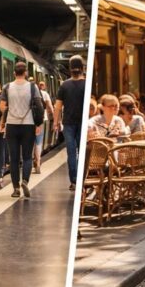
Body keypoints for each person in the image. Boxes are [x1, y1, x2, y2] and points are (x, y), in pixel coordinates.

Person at [0, 61, 41, 199]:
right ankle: (25, 181)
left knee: (14, 159)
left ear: (14, 73)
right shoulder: (32, 87)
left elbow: (2, 106)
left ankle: (16, 189)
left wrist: (9, 112)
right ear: (25, 73)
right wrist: (38, 124)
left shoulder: (7, 87)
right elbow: (39, 106)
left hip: (11, 125)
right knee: (28, 157)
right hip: (28, 124)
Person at [54, 55, 86, 191]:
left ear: (70, 68)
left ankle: (73, 181)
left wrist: (56, 122)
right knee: (82, 151)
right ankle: (81, 179)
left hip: (68, 123)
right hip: (82, 123)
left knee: (71, 153)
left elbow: (58, 106)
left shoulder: (64, 85)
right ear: (83, 67)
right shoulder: (86, 84)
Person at [33, 80, 52, 174]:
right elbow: (49, 106)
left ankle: (32, 160)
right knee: (38, 142)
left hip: (28, 121)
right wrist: (55, 118)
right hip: (41, 121)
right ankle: (38, 162)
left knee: (30, 142)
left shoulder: (27, 93)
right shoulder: (44, 94)